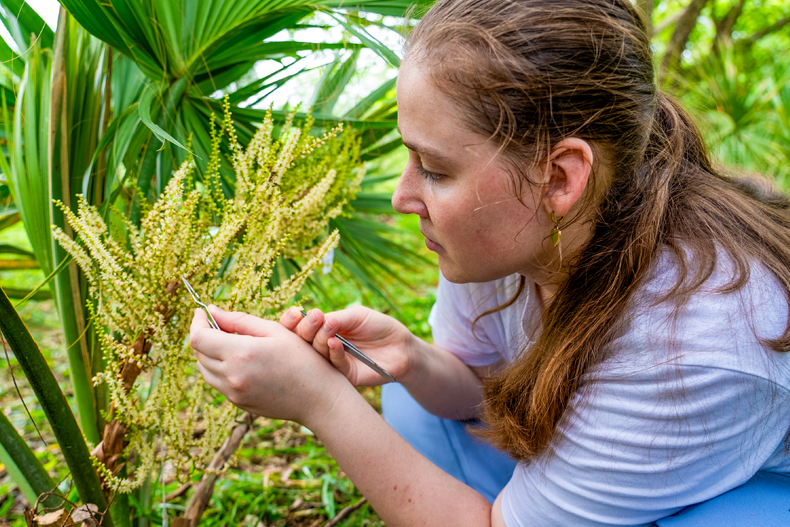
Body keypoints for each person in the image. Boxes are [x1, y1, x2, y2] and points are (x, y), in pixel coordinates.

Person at [188, 0, 790, 525]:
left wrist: (319, 402)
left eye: (436, 170)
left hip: (753, 490)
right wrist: (413, 360)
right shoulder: (519, 234)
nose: (403, 197)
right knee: (407, 400)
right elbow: (483, 391)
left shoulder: (690, 346)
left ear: (558, 178)